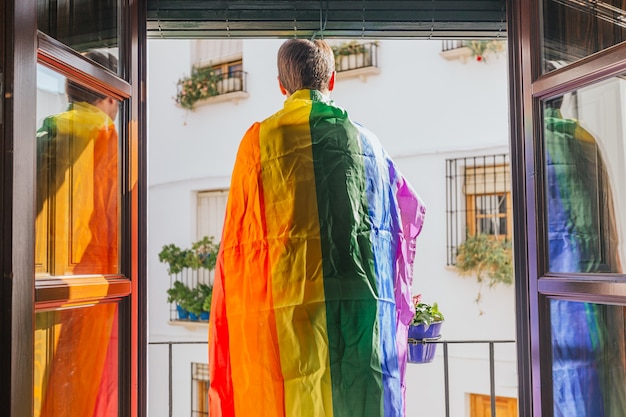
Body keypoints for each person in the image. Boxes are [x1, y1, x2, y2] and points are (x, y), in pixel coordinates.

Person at [208, 39, 426, 417]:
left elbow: (239, 241)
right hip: (356, 312)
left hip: (285, 308)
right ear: (333, 80)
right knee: (354, 397)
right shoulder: (367, 143)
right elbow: (407, 213)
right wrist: (398, 286)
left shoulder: (258, 142)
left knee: (286, 397)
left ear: (281, 85)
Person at [35, 51, 120, 417]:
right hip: (91, 284)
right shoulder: (105, 132)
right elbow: (116, 216)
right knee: (83, 383)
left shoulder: (44, 129)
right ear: (109, 94)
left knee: (42, 374)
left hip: (41, 279)